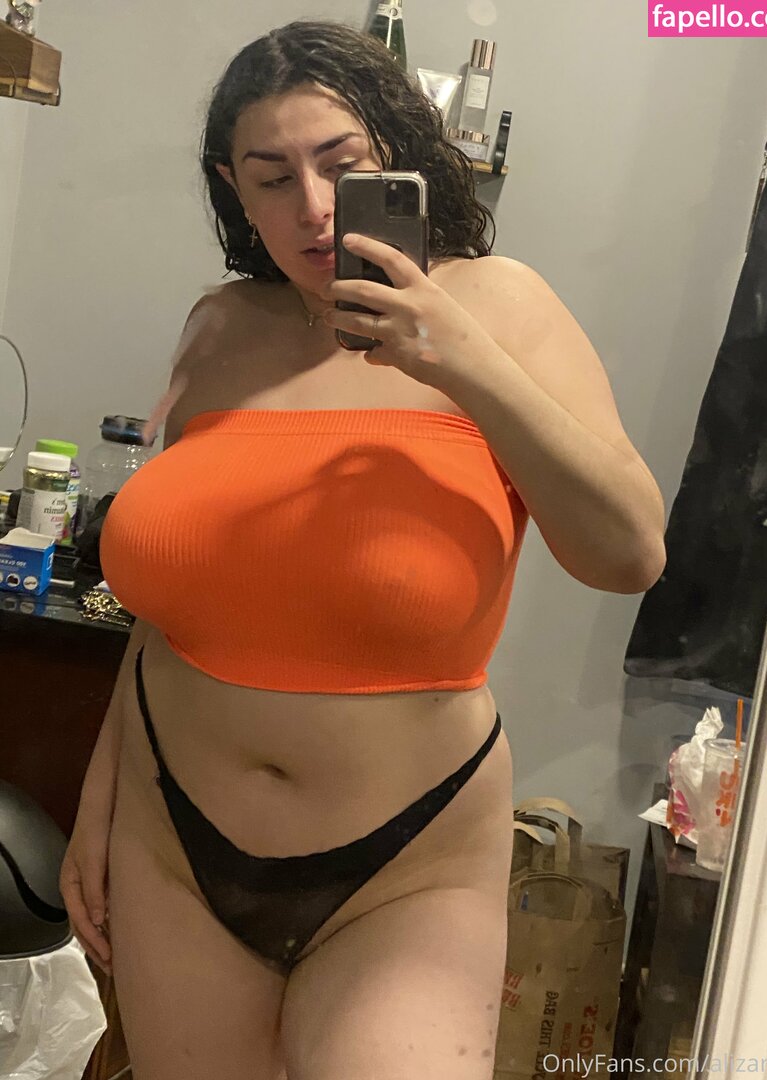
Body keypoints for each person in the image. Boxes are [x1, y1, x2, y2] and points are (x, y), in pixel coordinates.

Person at [59, 19, 665, 1080]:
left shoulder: (502, 306)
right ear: (234, 192)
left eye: (341, 166)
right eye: (272, 177)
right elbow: (176, 607)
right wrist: (98, 803)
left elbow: (629, 552)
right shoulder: (218, 328)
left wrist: (462, 361)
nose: (312, 206)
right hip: (172, 847)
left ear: (398, 157)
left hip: (406, 862)